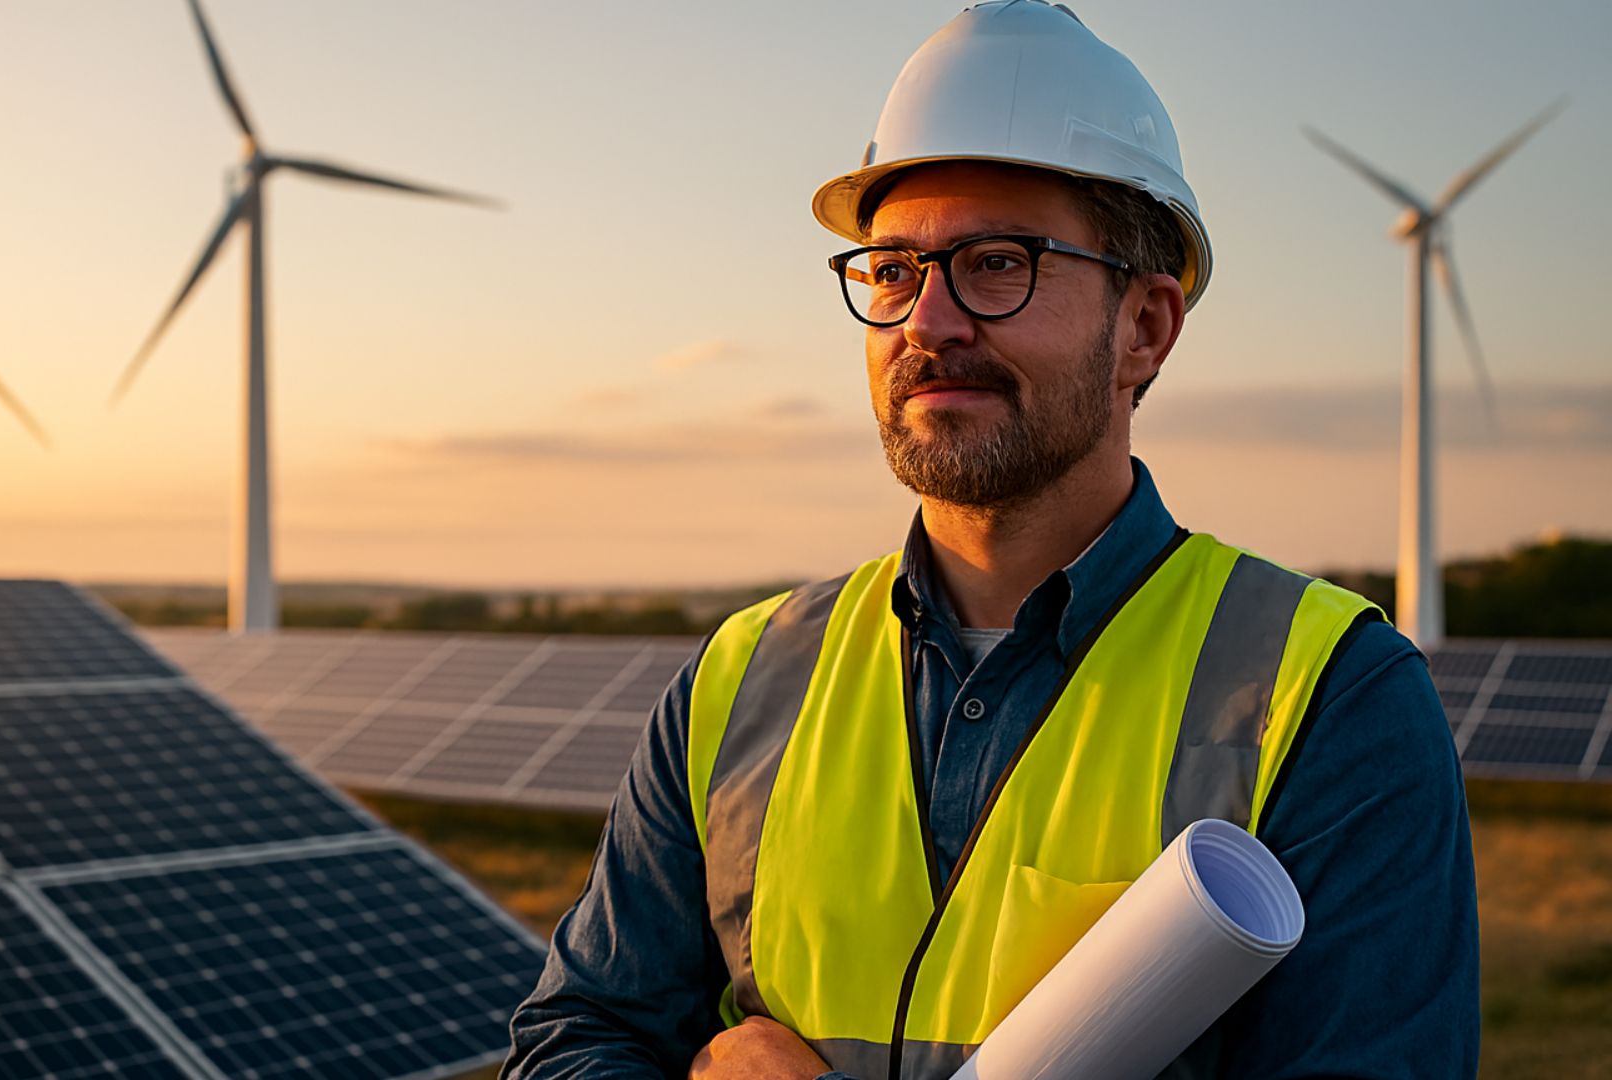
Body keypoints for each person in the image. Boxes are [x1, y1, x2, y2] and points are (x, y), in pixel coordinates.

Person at [501, 3, 1480, 1078]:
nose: (928, 323)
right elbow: (577, 1038)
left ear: (1145, 328)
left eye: (999, 263)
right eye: (891, 271)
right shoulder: (738, 681)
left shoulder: (1331, 695)